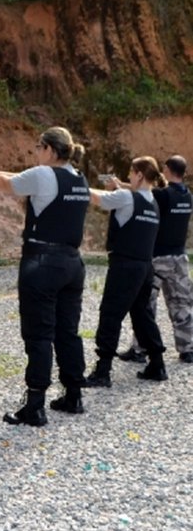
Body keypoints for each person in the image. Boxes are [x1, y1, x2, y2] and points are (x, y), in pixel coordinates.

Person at [0, 127, 90, 426]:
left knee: (39, 335)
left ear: (50, 150)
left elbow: (9, 182)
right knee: (68, 331)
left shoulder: (43, 175)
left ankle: (35, 404)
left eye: (38, 147)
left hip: (42, 261)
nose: (36, 153)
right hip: (72, 263)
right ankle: (73, 394)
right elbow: (15, 177)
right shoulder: (79, 179)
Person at [84, 156, 167, 387]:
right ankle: (157, 363)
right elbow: (129, 194)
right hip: (144, 267)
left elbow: (98, 198)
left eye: (131, 172)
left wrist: (75, 185)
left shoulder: (126, 197)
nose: (128, 176)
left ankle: (103, 370)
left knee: (110, 314)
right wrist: (120, 187)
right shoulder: (153, 202)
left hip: (124, 265)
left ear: (139, 174)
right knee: (143, 314)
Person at [118, 155, 193, 364]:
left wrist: (119, 186)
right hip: (179, 258)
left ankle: (140, 348)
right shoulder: (187, 196)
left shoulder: (163, 196)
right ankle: (187, 349)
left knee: (145, 305)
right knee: (182, 304)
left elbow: (144, 193)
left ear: (168, 169)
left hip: (158, 257)